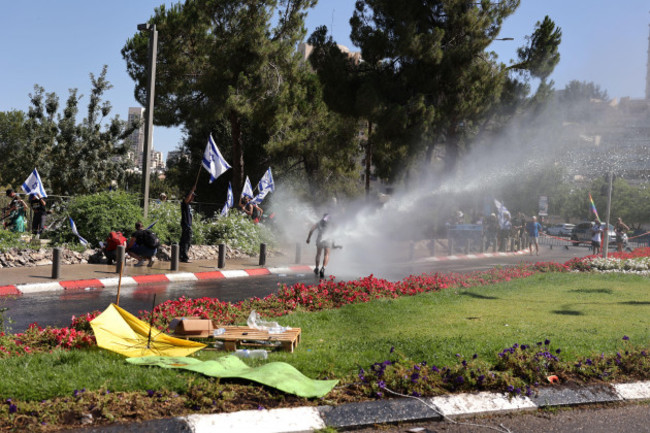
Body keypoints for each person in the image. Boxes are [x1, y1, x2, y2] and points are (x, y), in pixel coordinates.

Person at [306, 213, 335, 278]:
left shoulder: (319, 222)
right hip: (328, 239)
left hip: (320, 238)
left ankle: (316, 268)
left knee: (318, 254)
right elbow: (335, 231)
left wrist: (308, 238)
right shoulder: (331, 223)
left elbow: (311, 230)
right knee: (326, 254)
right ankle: (323, 268)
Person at [180, 186, 196, 263]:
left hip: (187, 225)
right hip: (186, 225)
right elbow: (186, 199)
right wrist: (192, 190)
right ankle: (184, 257)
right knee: (186, 241)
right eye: (192, 197)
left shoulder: (188, 205)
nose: (192, 198)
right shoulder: (184, 203)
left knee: (185, 241)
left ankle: (181, 255)